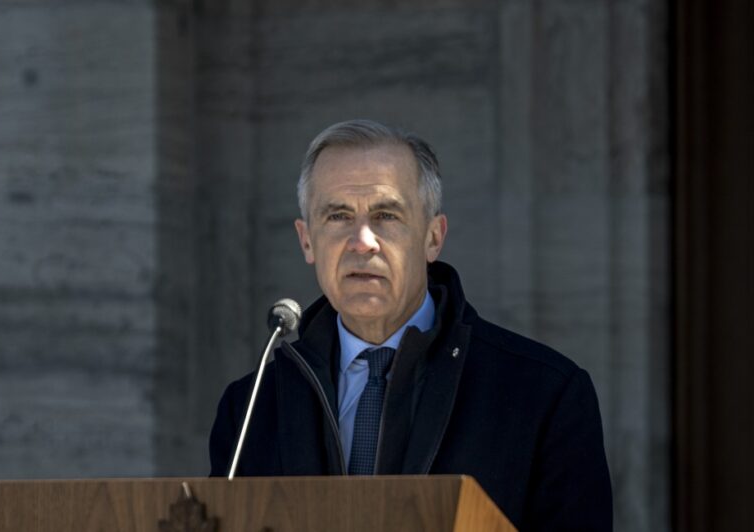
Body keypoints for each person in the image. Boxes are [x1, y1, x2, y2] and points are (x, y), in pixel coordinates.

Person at [208, 119, 613, 531]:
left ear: (433, 238)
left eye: (386, 215)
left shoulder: (543, 394)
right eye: (337, 216)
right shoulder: (251, 408)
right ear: (307, 240)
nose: (362, 241)